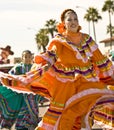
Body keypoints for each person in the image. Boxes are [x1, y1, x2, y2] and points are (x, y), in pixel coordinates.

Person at [0, 9, 114, 130]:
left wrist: (110, 76)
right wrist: (46, 66)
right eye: (69, 19)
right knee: (65, 114)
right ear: (64, 23)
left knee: (93, 106)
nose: (73, 22)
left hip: (87, 81)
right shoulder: (60, 40)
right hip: (67, 84)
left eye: (75, 19)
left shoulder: (87, 39)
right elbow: (52, 54)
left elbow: (100, 58)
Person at [0, 50, 46, 130]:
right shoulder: (18, 68)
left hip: (32, 96)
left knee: (33, 111)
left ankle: (32, 126)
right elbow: (11, 78)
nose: (27, 58)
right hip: (21, 97)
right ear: (22, 58)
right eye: (25, 57)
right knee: (22, 114)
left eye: (29, 56)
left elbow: (40, 79)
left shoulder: (35, 68)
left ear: (32, 57)